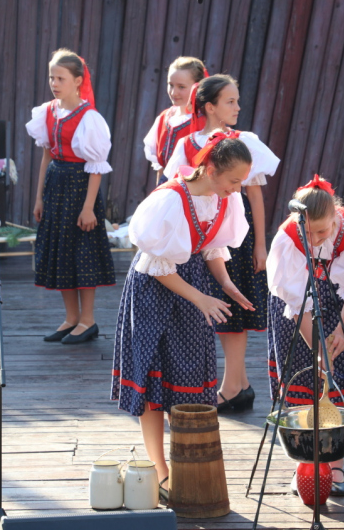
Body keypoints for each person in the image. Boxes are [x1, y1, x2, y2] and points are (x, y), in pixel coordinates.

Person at [111, 134, 254, 498]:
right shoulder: (169, 200)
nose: (237, 189)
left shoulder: (222, 200)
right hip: (156, 292)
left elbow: (211, 248)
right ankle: (161, 472)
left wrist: (225, 285)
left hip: (193, 289)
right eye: (234, 181)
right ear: (209, 170)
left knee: (188, 379)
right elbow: (157, 267)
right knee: (155, 384)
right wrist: (201, 299)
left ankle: (186, 465)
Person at [163, 74, 279, 412]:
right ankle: (240, 383)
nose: (237, 107)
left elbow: (254, 196)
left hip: (235, 236)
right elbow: (177, 189)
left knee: (234, 310)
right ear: (209, 106)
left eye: (237, 100)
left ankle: (231, 385)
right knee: (214, 306)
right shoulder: (187, 145)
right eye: (230, 101)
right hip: (202, 238)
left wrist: (260, 245)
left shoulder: (243, 142)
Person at [266, 175, 344, 497]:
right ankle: (305, 465)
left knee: (337, 383)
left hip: (343, 307)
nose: (314, 240)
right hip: (296, 315)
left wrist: (340, 330)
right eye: (308, 232)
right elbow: (296, 300)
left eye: (322, 232)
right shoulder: (288, 237)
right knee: (304, 383)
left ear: (336, 217)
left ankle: (335, 465)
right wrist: (318, 349)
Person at [26, 48, 116, 345]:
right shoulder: (48, 112)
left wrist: (89, 208)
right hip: (56, 185)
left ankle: (88, 320)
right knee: (61, 253)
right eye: (52, 77)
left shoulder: (89, 118)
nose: (54, 83)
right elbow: (45, 157)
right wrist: (39, 197)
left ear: (78, 81)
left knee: (82, 254)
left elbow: (96, 168)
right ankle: (71, 318)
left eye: (60, 78)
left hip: (80, 189)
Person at [142, 56, 207, 186]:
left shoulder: (204, 122)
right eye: (170, 85)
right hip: (169, 191)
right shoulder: (164, 118)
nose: (173, 92)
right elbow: (161, 169)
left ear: (197, 86)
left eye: (181, 87)